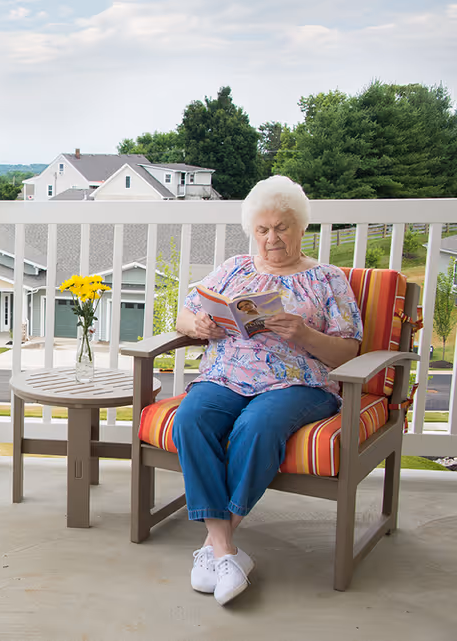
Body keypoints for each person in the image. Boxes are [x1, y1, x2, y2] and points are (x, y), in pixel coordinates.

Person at [172, 175, 363, 605]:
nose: (271, 238)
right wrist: (198, 325)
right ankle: (225, 550)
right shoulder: (235, 269)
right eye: (262, 229)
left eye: (282, 227)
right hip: (225, 376)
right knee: (191, 418)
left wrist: (303, 334)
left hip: (298, 384)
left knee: (257, 425)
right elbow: (184, 313)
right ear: (252, 232)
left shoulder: (326, 279)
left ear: (301, 228)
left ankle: (214, 548)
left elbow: (349, 350)